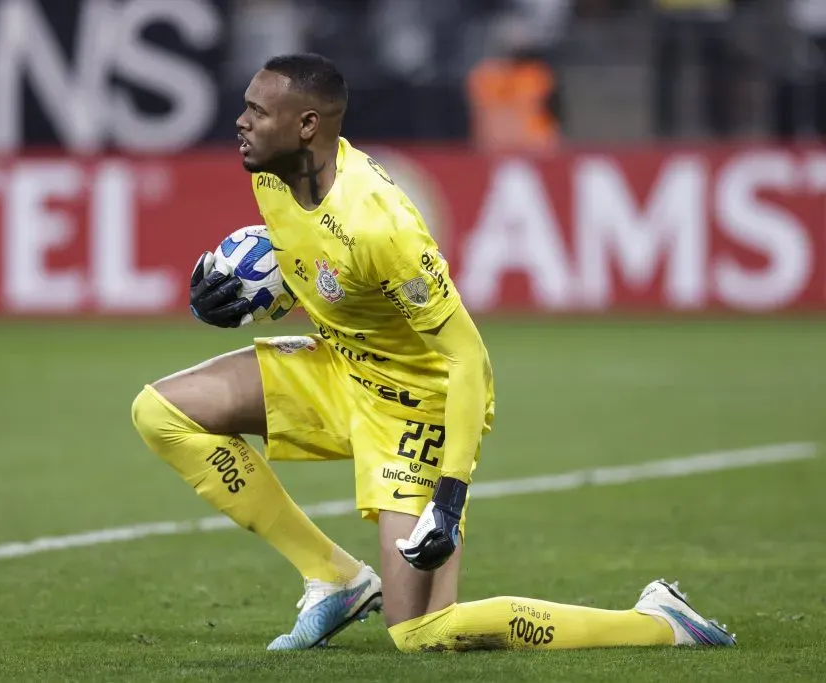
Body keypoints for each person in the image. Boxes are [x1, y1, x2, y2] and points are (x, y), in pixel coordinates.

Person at [130, 53, 737, 652]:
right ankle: (335, 578)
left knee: (421, 633)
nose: (240, 121)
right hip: (340, 369)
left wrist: (450, 498)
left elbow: (467, 358)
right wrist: (239, 290)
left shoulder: (379, 225)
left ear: (307, 125)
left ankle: (659, 622)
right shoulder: (270, 174)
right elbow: (311, 260)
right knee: (161, 412)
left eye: (258, 112)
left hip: (413, 407)